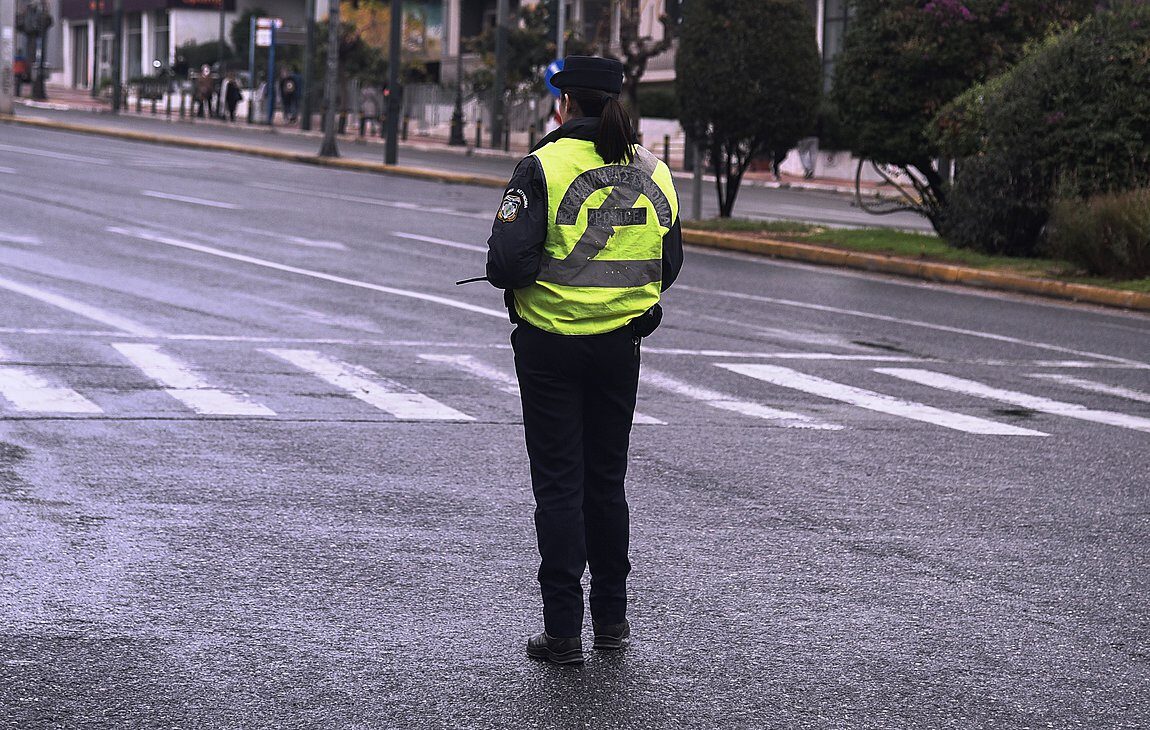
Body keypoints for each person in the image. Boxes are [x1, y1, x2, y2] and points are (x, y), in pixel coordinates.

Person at [485, 55, 683, 665]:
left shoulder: (542, 166)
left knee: (559, 486)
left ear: (564, 103)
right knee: (606, 482)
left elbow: (506, 266)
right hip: (619, 349)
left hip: (549, 348)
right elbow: (667, 263)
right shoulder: (654, 170)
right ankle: (613, 624)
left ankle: (564, 632)